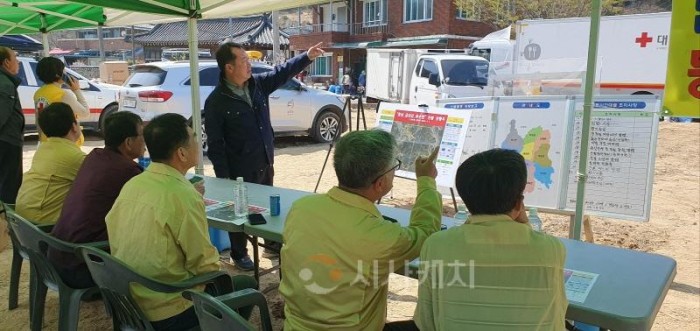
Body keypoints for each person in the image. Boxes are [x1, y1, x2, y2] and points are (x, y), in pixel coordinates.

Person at [279, 129, 443, 330]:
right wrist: (426, 181)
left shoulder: (301, 208)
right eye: (394, 167)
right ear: (380, 183)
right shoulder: (381, 238)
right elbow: (426, 232)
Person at [105, 113, 256, 331]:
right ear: (182, 153)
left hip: (129, 300)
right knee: (247, 286)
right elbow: (205, 267)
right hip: (168, 310)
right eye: (194, 137)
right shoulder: (184, 196)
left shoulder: (134, 184)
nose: (198, 141)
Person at [412, 149, 567, 331]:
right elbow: (556, 320)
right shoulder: (551, 249)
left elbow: (425, 322)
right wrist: (525, 224)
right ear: (519, 203)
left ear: (466, 200)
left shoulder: (436, 245)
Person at [205, 41, 325, 270]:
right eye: (243, 61)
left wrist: (306, 56)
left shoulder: (257, 85)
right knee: (239, 211)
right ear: (229, 68)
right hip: (239, 168)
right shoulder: (216, 102)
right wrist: (224, 179)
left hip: (264, 160)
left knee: (268, 206)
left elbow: (281, 72)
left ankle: (270, 241)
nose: (249, 64)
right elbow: (216, 145)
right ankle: (239, 252)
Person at [48, 111, 145, 288]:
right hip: (82, 265)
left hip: (58, 255)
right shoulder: (127, 171)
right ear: (129, 142)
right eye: (141, 135)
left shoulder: (95, 157)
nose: (145, 141)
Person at [16, 102, 85, 224]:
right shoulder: (76, 157)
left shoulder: (43, 148)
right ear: (74, 126)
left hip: (23, 217)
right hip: (43, 224)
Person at [33, 56, 89, 145]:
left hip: (46, 141)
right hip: (65, 142)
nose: (65, 73)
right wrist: (76, 90)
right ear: (58, 74)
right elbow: (85, 112)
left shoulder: (38, 93)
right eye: (63, 70)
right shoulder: (62, 94)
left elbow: (37, 120)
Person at [0, 46, 22, 252]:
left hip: (7, 140)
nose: (18, 62)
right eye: (15, 58)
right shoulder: (5, 84)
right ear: (6, 63)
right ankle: (9, 228)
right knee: (9, 184)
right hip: (7, 141)